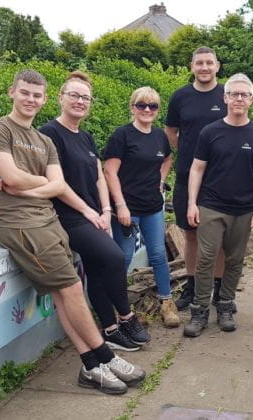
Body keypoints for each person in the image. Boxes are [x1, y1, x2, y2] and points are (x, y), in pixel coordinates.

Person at [0, 69, 145, 395]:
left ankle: (90, 367)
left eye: (36, 95)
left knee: (62, 294)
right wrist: (42, 184)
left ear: (44, 99)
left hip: (48, 220)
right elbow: (14, 178)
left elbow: (56, 184)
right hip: (23, 225)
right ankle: (106, 356)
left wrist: (33, 185)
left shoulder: (44, 141)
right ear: (12, 92)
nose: (30, 99)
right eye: (25, 92)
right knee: (71, 289)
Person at [38, 71, 151, 352]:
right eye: (74, 95)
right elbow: (58, 183)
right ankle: (126, 317)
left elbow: (100, 176)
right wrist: (89, 212)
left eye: (85, 97)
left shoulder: (85, 137)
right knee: (113, 257)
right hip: (67, 217)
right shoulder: (50, 134)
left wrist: (105, 210)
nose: (80, 101)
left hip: (94, 213)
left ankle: (110, 330)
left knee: (98, 268)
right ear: (60, 98)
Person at [183, 73, 253, 337]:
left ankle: (225, 304)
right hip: (211, 205)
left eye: (244, 94)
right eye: (234, 93)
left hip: (245, 208)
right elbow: (197, 169)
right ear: (225, 98)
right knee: (206, 259)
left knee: (235, 260)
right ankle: (199, 310)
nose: (239, 98)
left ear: (251, 100)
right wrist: (192, 203)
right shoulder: (210, 132)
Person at [104, 86, 179, 328]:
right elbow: (109, 171)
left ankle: (167, 303)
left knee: (158, 255)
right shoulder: (122, 136)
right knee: (123, 258)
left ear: (157, 110)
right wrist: (120, 205)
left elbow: (167, 159)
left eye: (152, 106)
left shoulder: (159, 137)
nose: (147, 110)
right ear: (132, 107)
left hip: (153, 207)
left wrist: (160, 181)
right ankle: (117, 308)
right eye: (141, 105)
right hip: (127, 208)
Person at [165, 46, 228, 311]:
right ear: (192, 66)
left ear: (217, 66)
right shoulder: (180, 97)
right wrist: (190, 154)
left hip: (221, 177)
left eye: (209, 63)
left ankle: (219, 290)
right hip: (185, 175)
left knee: (220, 237)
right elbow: (171, 131)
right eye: (199, 63)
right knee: (190, 234)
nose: (204, 67)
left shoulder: (226, 94)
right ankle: (191, 287)